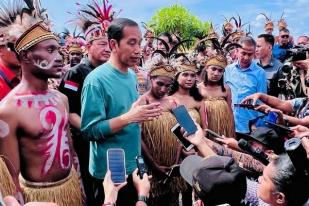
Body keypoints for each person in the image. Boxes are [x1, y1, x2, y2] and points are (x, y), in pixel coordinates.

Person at [0, 2, 83, 205]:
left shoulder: (61, 98)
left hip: (70, 189)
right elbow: (11, 179)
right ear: (26, 55)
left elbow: (71, 151)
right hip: (38, 199)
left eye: (58, 49)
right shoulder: (9, 109)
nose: (60, 57)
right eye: (50, 50)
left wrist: (80, 186)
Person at [81, 18, 161, 206]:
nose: (138, 50)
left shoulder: (132, 75)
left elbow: (130, 116)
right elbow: (89, 131)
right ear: (113, 44)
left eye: (139, 43)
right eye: (131, 43)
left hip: (134, 168)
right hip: (110, 176)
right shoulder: (96, 81)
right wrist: (129, 117)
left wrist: (142, 112)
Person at [58, 1, 114, 204]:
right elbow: (69, 111)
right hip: (88, 139)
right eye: (102, 44)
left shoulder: (111, 72)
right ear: (88, 46)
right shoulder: (76, 73)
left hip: (111, 136)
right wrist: (94, 130)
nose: (108, 49)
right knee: (94, 187)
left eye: (110, 44)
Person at [181, 123, 309, 206]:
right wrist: (201, 143)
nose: (259, 179)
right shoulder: (278, 199)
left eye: (264, 180)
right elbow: (230, 181)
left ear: (280, 198)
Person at [140, 58, 184, 206]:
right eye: (160, 84)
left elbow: (187, 129)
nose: (164, 89)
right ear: (151, 78)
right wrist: (154, 165)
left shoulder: (174, 102)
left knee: (172, 200)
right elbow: (137, 138)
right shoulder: (141, 102)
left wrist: (177, 159)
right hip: (151, 165)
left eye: (168, 85)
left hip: (173, 164)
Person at [224, 36, 267, 133]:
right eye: (243, 53)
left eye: (250, 54)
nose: (246, 57)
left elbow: (262, 101)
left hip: (248, 124)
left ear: (254, 53)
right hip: (229, 122)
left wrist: (256, 124)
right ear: (236, 51)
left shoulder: (260, 73)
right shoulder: (228, 70)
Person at [199, 53, 235, 137]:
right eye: (213, 69)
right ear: (207, 68)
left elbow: (230, 113)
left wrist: (232, 133)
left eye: (220, 70)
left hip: (224, 132)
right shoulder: (198, 89)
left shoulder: (226, 89)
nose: (216, 73)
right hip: (207, 131)